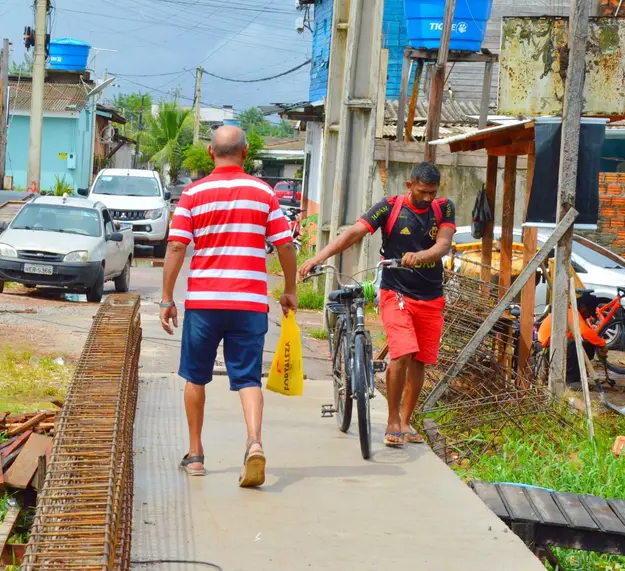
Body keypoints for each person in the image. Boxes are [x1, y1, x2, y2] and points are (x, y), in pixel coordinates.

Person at [160, 126, 298, 488]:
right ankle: (254, 442)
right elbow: (285, 245)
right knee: (249, 378)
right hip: (249, 303)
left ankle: (195, 456)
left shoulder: (192, 194)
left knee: (195, 375)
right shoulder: (264, 193)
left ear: (210, 152)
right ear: (246, 151)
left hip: (204, 303)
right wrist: (291, 289)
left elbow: (176, 247)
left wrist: (166, 298)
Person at [298, 162, 456, 447]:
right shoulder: (389, 207)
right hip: (396, 292)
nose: (428, 198)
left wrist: (420, 257)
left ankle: (407, 422)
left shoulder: (444, 208)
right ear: (410, 185)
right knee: (403, 352)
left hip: (432, 295)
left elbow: (443, 245)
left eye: (432, 192)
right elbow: (354, 233)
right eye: (423, 192)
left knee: (421, 360)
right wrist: (318, 258)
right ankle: (392, 420)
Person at [537, 292, 607, 389]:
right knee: (575, 344)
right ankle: (571, 381)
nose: (589, 317)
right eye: (589, 312)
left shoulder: (571, 312)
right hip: (546, 349)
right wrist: (602, 344)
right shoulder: (572, 313)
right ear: (583, 307)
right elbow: (585, 333)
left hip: (552, 346)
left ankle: (575, 374)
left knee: (586, 345)